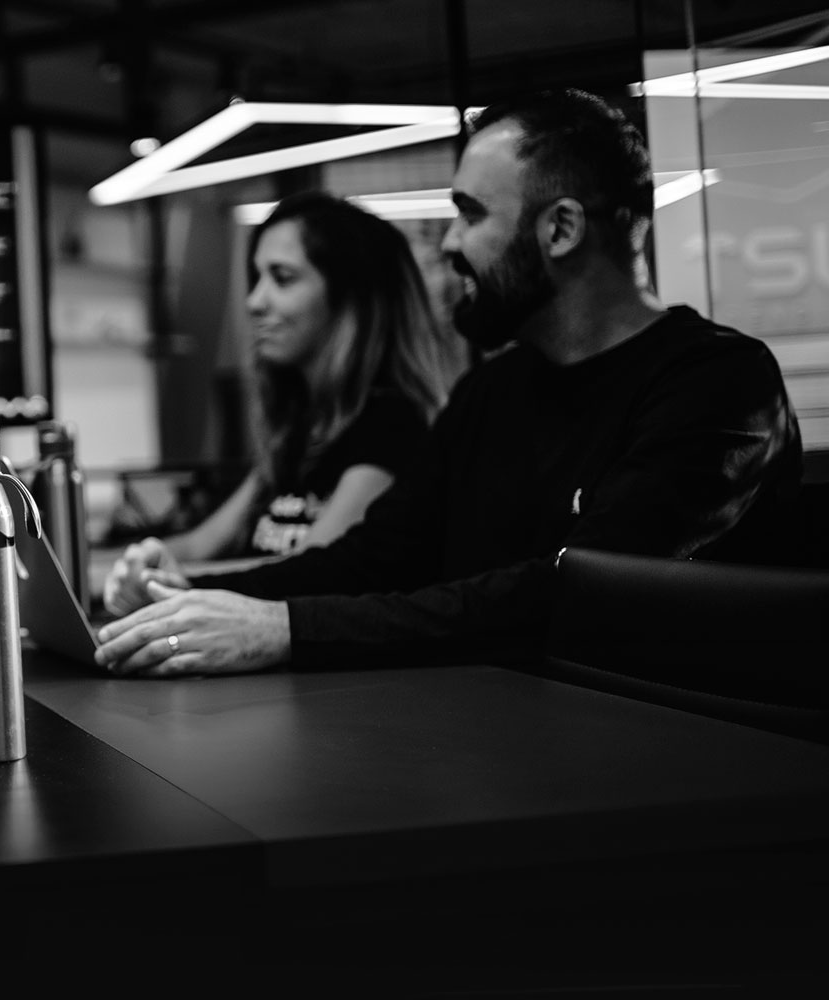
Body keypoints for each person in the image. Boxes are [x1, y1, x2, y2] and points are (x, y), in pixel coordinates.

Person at [94, 88, 802, 677]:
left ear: (560, 230)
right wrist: (191, 596)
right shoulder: (491, 392)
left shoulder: (718, 385)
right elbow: (372, 561)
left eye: (470, 214)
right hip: (498, 739)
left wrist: (283, 628)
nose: (450, 243)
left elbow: (577, 593)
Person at [102, 192, 466, 615]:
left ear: (348, 298)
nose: (254, 301)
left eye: (283, 278)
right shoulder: (301, 427)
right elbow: (201, 544)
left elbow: (310, 571)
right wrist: (136, 566)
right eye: (257, 278)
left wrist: (181, 585)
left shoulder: (392, 426)